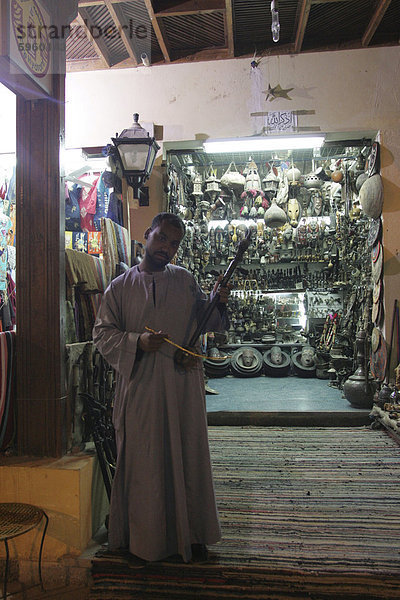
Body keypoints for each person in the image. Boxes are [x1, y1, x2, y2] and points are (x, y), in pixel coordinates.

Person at [93, 212, 230, 565]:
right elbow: (102, 334)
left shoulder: (185, 280)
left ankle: (193, 534)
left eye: (174, 244)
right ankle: (145, 539)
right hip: (141, 389)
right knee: (144, 461)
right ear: (147, 234)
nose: (166, 248)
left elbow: (206, 321)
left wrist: (219, 301)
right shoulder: (119, 287)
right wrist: (138, 341)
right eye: (162, 238)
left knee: (188, 455)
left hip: (182, 386)